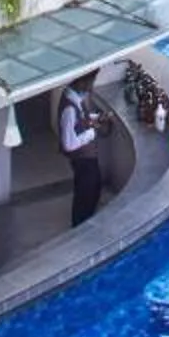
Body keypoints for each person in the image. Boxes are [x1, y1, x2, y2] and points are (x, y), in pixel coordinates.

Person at [57, 76, 105, 228]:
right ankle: (80, 227)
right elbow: (69, 144)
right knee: (85, 196)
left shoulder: (74, 99)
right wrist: (91, 133)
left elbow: (80, 120)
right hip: (82, 159)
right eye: (90, 82)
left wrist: (93, 119)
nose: (91, 87)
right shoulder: (69, 109)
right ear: (80, 82)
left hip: (87, 158)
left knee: (94, 188)